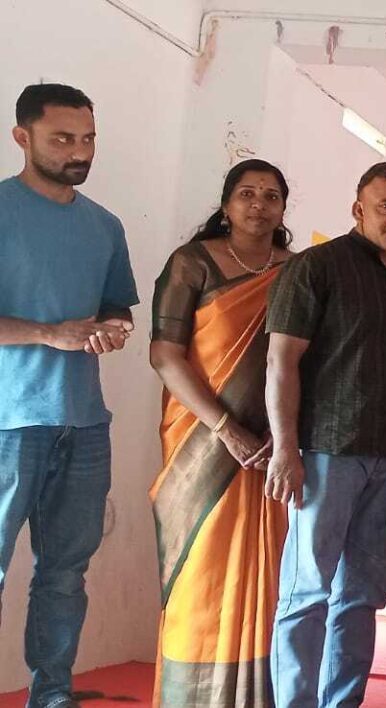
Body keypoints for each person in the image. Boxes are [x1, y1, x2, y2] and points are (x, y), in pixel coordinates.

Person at [264, 161, 386, 707]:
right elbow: (280, 362)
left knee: (364, 597)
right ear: (358, 208)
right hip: (325, 453)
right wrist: (285, 449)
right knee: (307, 591)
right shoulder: (315, 268)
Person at [0, 83, 137, 708]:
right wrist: (49, 333)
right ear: (22, 137)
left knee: (65, 574)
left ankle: (51, 695)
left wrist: (113, 328)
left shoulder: (104, 226)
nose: (79, 151)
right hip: (8, 422)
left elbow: (116, 306)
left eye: (87, 138)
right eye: (62, 138)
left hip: (84, 423)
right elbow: (53, 330)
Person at [148, 159, 295, 706]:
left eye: (272, 195)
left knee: (267, 573)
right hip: (202, 441)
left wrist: (286, 435)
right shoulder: (192, 263)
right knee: (200, 570)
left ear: (283, 208)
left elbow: (308, 358)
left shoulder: (298, 271)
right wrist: (226, 428)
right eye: (247, 193)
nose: (259, 204)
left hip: (272, 449)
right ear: (227, 204)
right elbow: (165, 355)